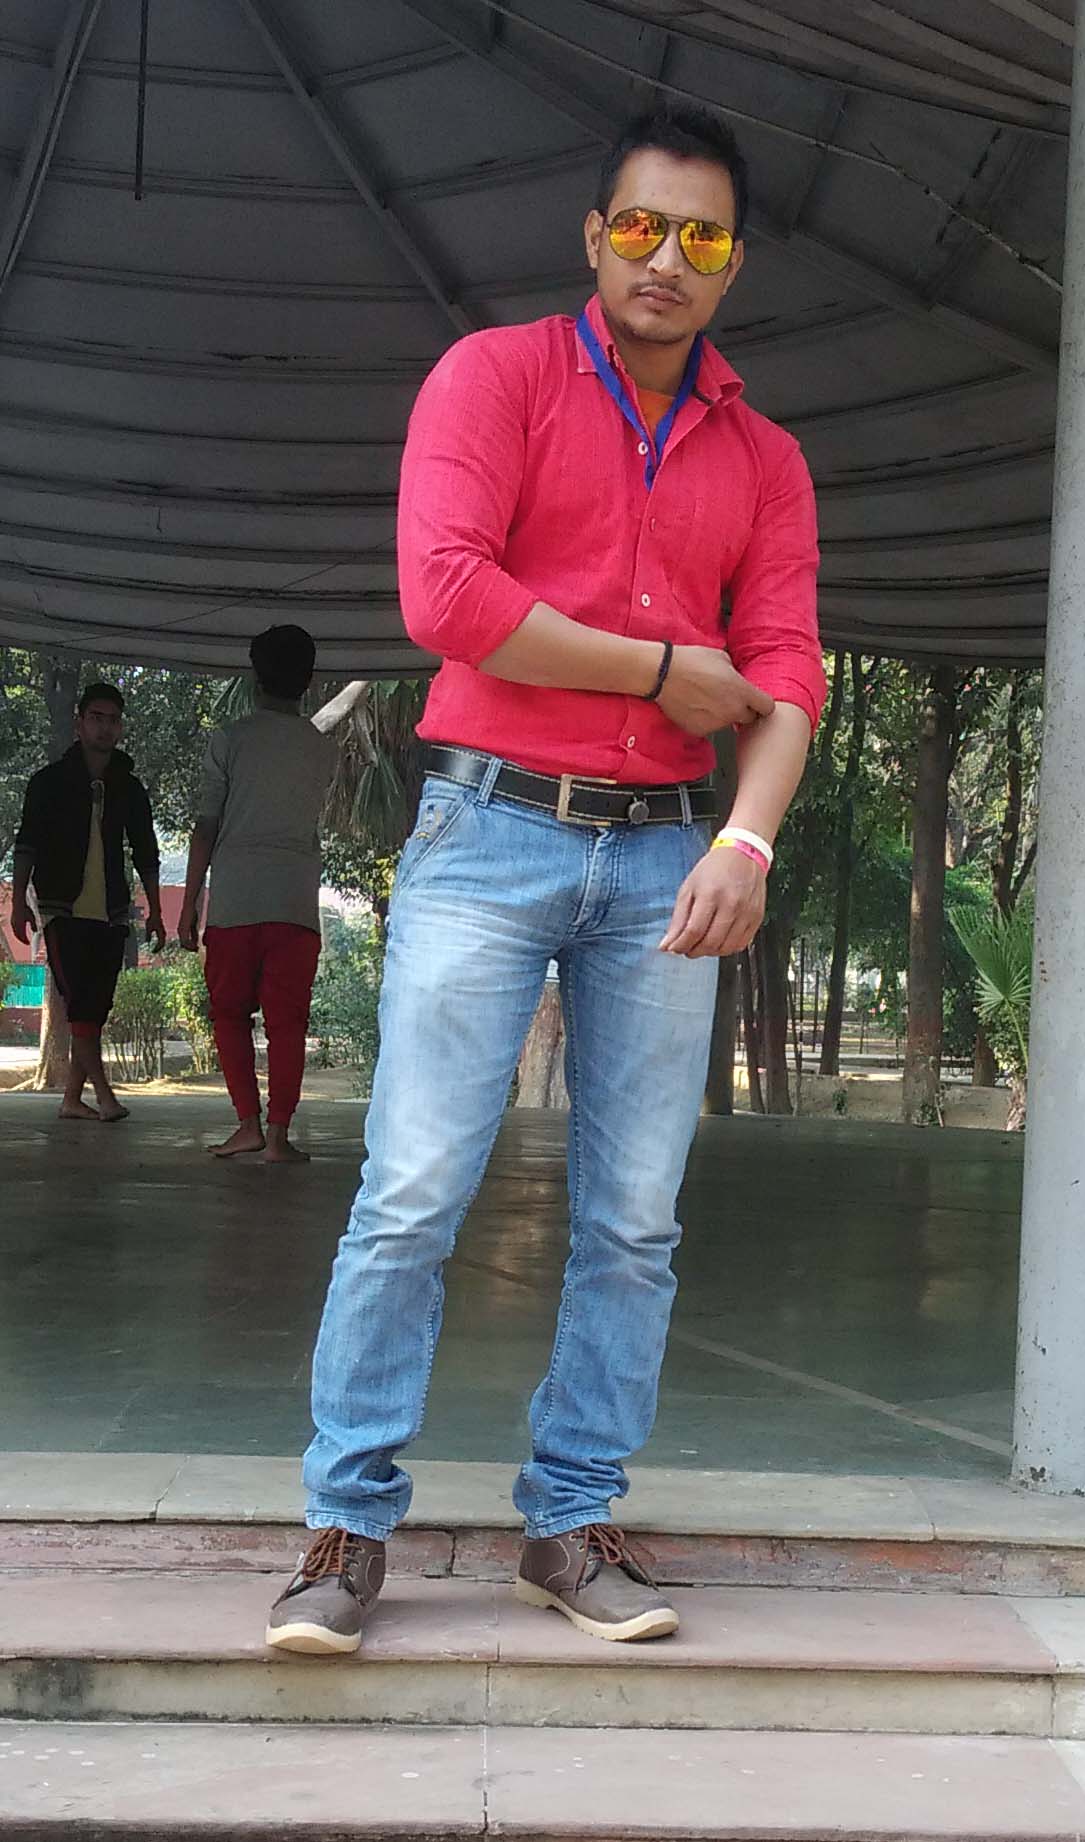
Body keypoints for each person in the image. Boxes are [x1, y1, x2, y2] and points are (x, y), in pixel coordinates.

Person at [266, 105, 824, 1656]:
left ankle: (569, 1523)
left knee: (635, 1216)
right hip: (489, 831)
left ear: (732, 263)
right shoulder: (494, 379)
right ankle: (345, 1523)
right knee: (411, 1192)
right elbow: (446, 595)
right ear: (594, 235)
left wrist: (747, 839)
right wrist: (658, 667)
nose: (666, 258)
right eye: (640, 225)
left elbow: (785, 668)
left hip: (667, 852)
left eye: (701, 236)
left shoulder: (765, 459)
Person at [178, 625, 336, 1164]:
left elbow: (206, 825)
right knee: (288, 1022)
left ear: (254, 676)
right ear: (308, 681)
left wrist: (190, 902)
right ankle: (278, 1135)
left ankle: (246, 1123)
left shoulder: (230, 739)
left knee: (229, 1014)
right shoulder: (322, 750)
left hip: (235, 900)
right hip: (295, 901)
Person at [12, 682, 163, 1122]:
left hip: (112, 911)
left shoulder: (129, 788)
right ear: (79, 723)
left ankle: (71, 1099)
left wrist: (156, 910)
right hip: (62, 906)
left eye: (113, 720)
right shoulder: (48, 783)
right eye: (96, 718)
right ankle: (105, 1096)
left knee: (95, 1009)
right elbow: (27, 845)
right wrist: (19, 902)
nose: (105, 727)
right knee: (80, 1003)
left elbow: (147, 853)